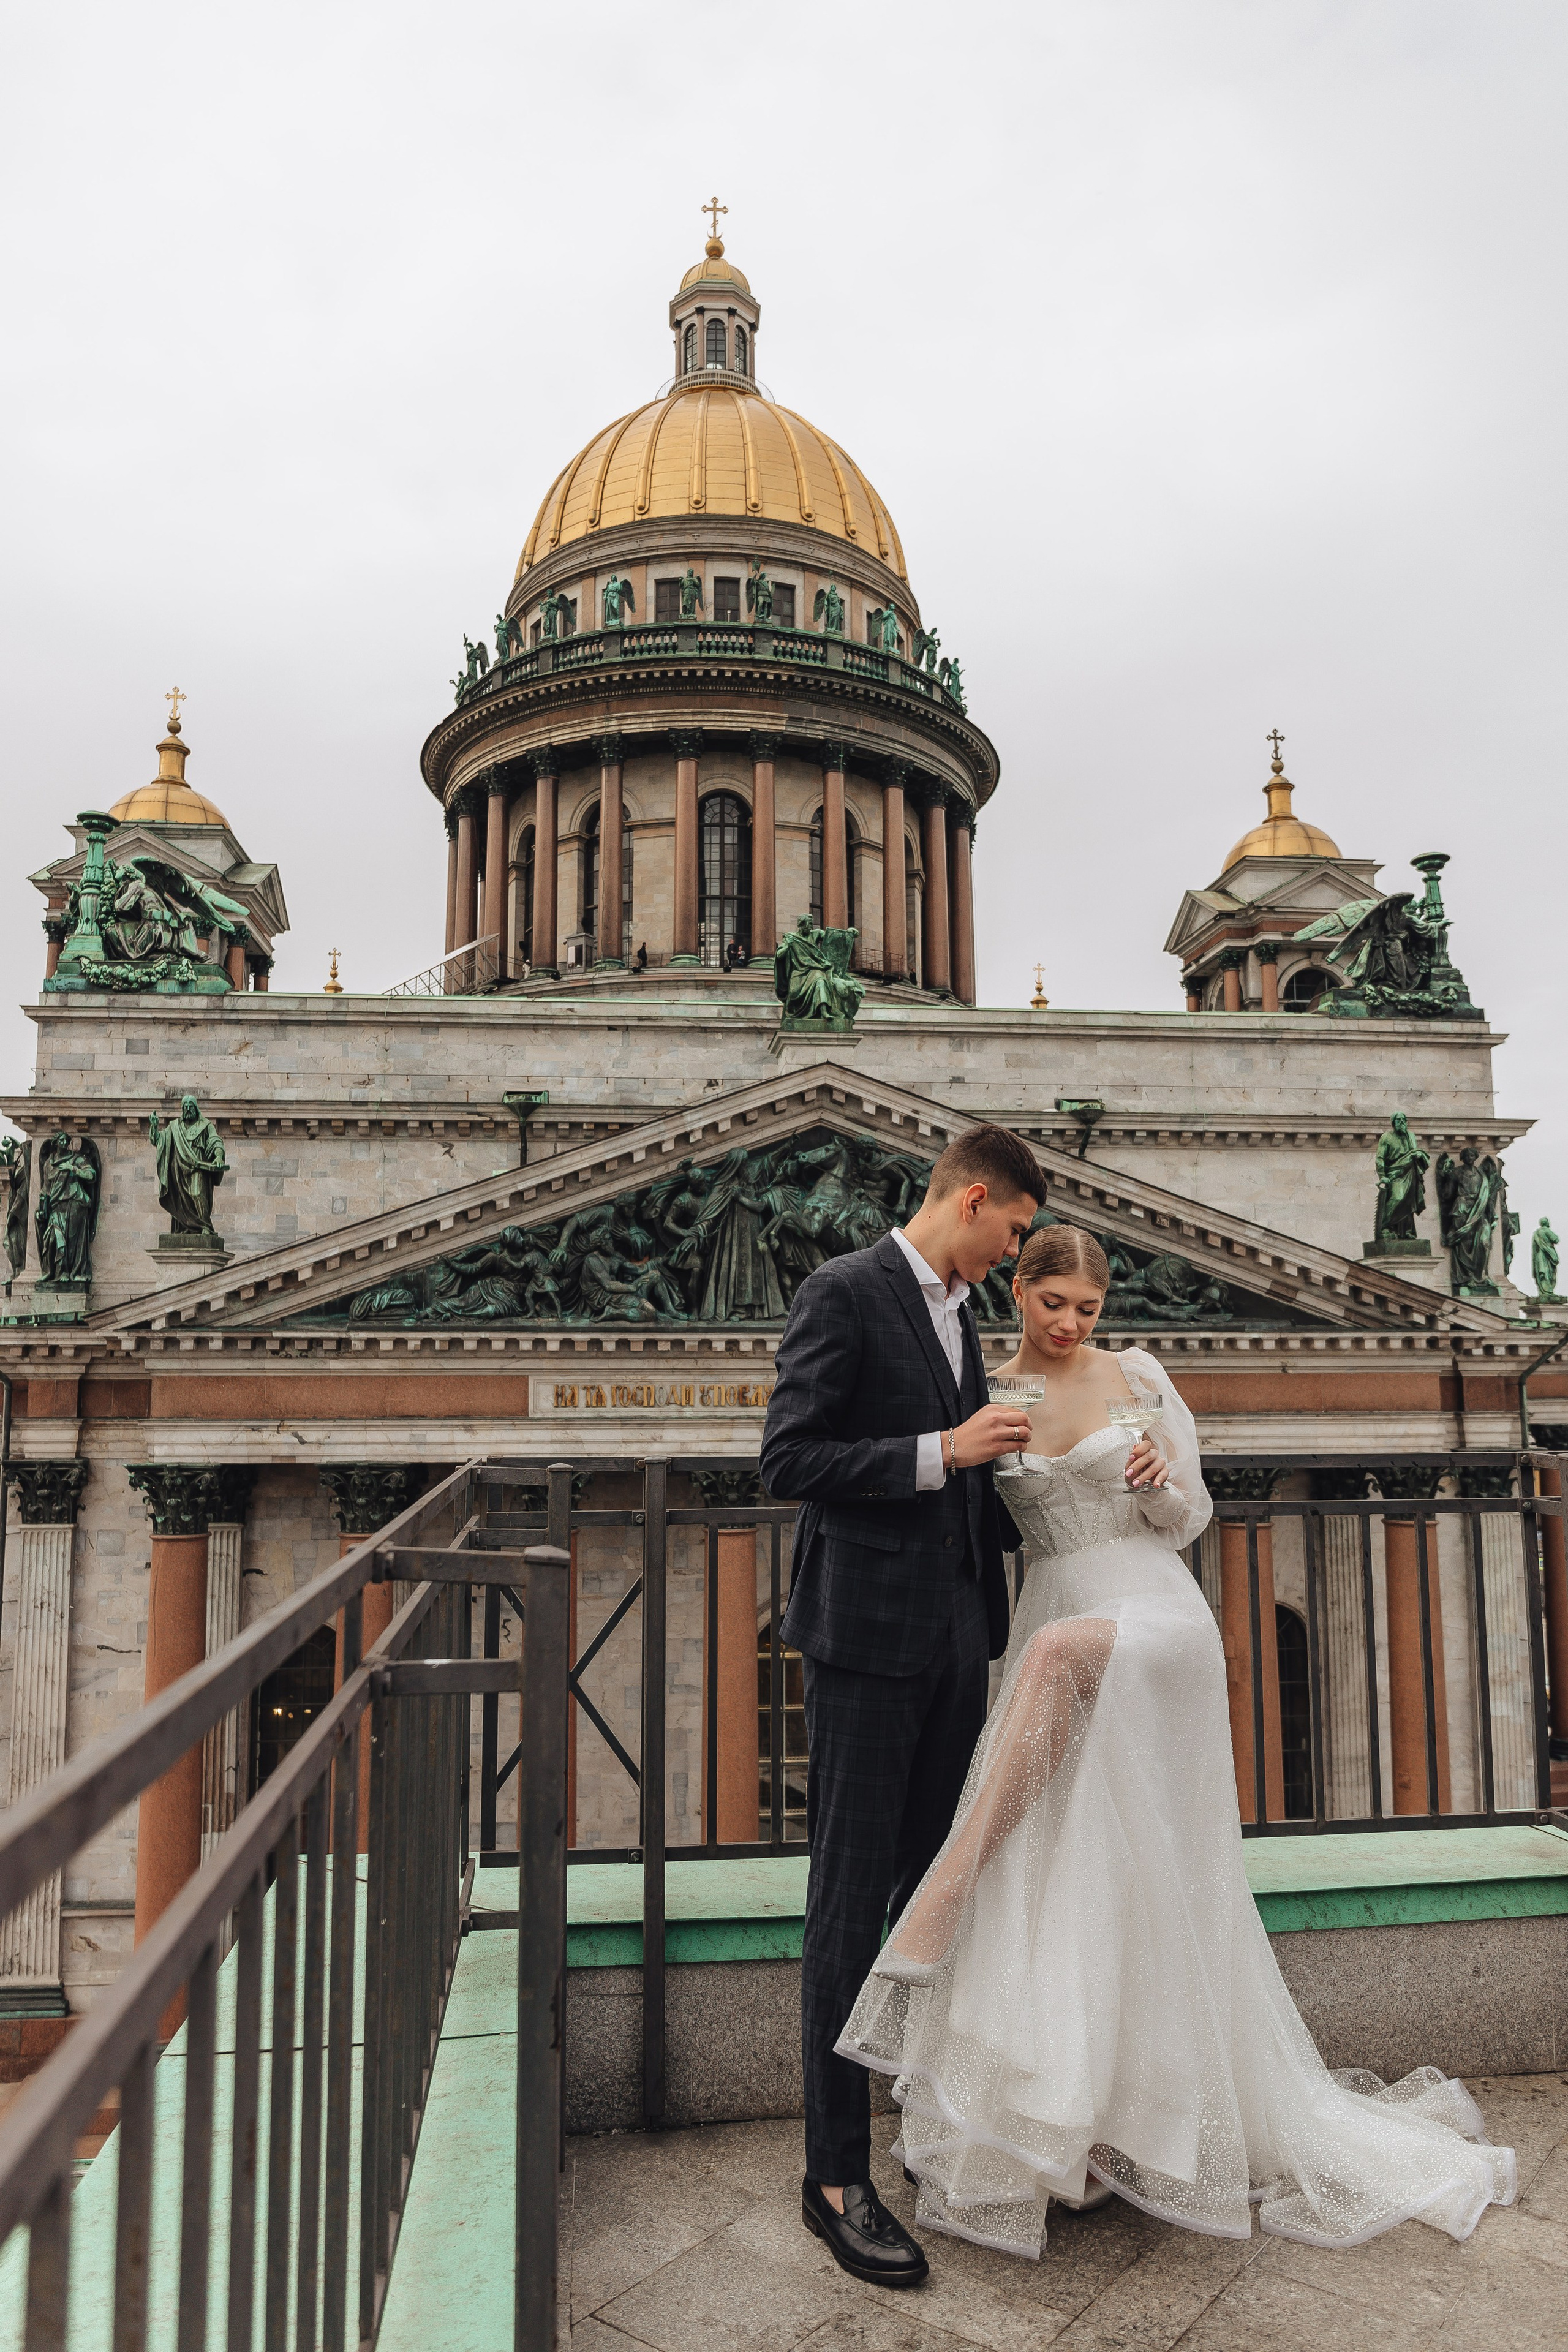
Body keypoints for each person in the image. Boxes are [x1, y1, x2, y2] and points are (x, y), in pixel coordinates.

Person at [836, 1222, 1516, 2261]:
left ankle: (943, 1893)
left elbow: (1189, 1518)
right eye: (1053, 1304)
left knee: (1062, 1655)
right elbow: (977, 1526)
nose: (1071, 1324)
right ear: (1018, 1292)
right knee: (1080, 1869)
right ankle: (1087, 2131)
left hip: (1150, 1618)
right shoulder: (994, 1394)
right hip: (1057, 1619)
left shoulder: (1139, 1373)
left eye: (1088, 1310)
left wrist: (1157, 1476)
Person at [760, 1123, 1047, 2290]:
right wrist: (944, 1448)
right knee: (847, 1904)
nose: (1015, 1259)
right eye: (1015, 1235)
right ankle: (835, 2176)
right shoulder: (846, 1291)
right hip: (867, 1647)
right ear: (971, 1200)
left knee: (932, 1898)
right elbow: (790, 1459)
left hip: (950, 1642)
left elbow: (975, 1472)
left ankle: (922, 2126)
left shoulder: (961, 1314)